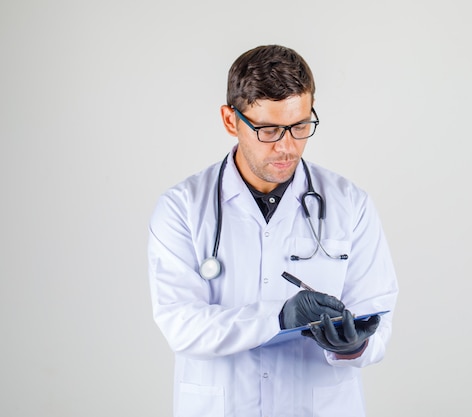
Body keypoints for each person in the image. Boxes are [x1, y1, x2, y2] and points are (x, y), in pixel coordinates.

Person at [148, 44, 399, 417]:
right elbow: (180, 323)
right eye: (268, 129)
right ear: (231, 120)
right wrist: (278, 318)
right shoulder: (182, 208)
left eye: (299, 126)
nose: (286, 147)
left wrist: (353, 345)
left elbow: (377, 314)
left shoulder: (351, 204)